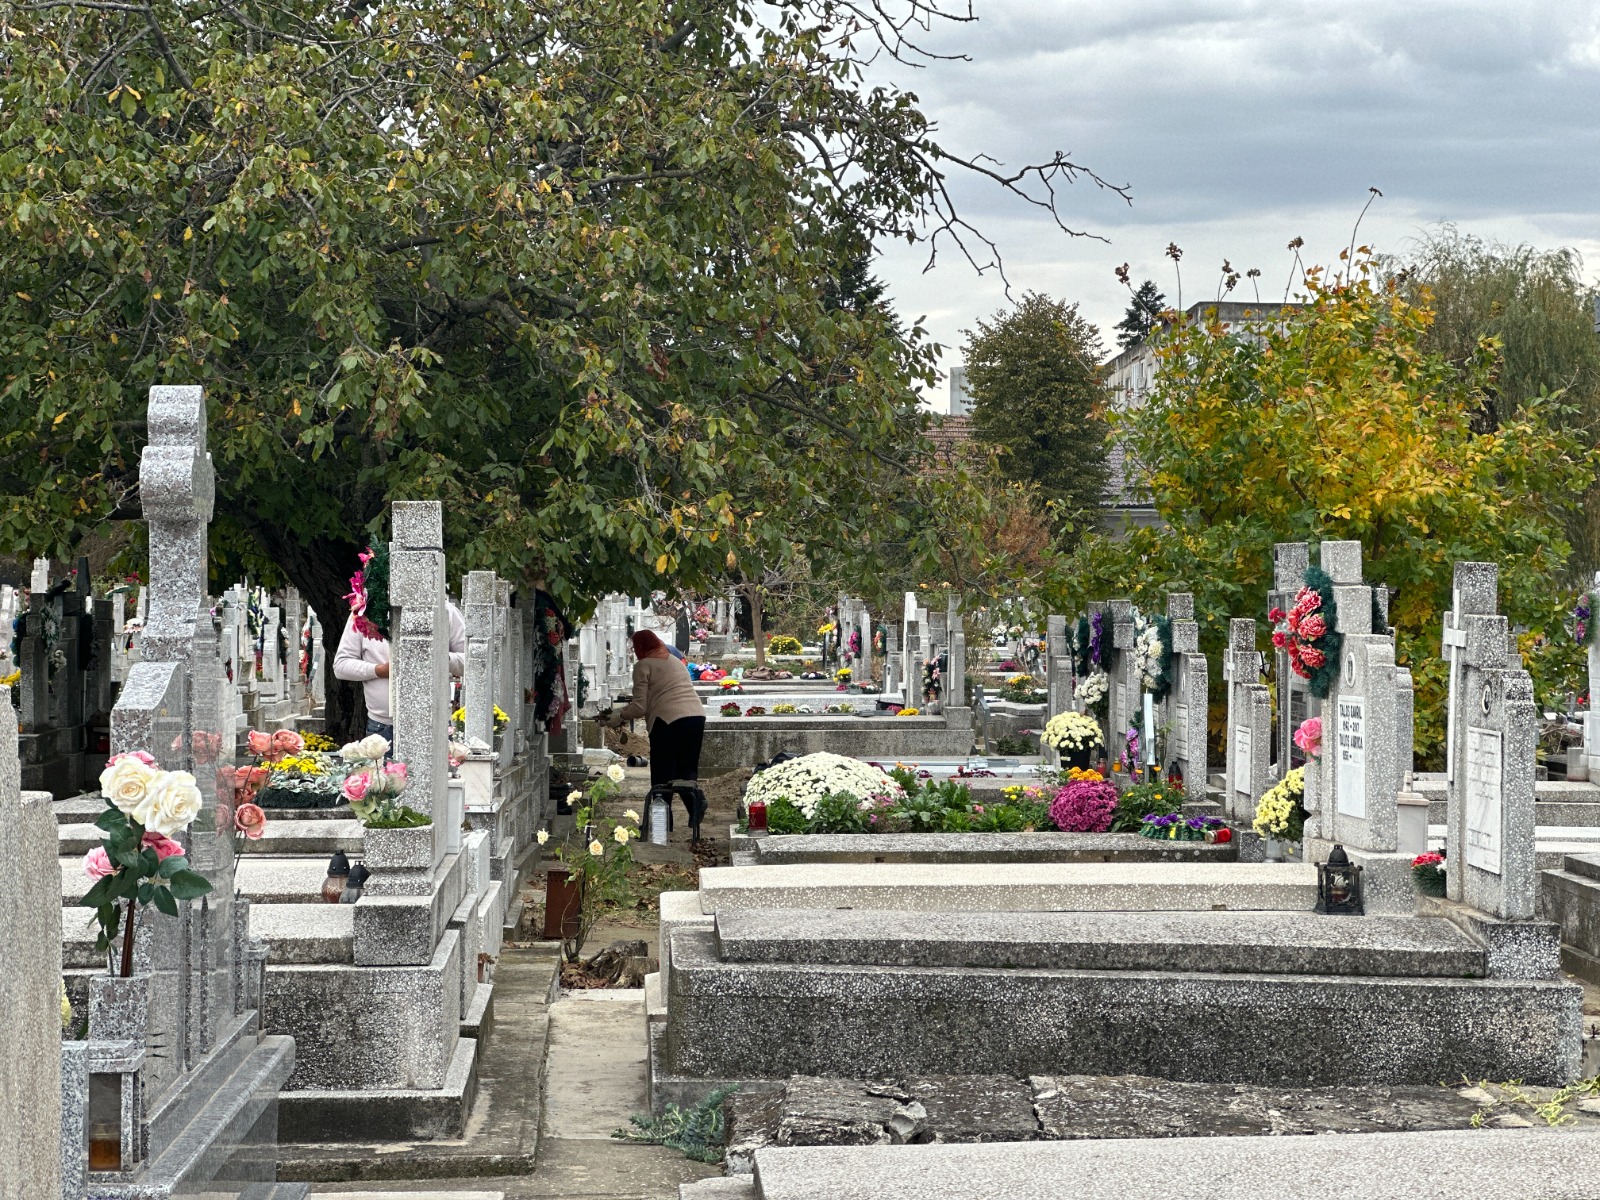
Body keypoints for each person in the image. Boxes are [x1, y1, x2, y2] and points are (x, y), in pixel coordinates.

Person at [602, 629, 707, 838]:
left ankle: (660, 825)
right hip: (696, 717)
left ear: (641, 647)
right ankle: (696, 805)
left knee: (662, 775)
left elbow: (640, 707)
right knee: (686, 770)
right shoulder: (675, 661)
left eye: (635, 647)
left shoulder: (643, 666)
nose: (635, 651)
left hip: (667, 721)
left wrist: (618, 716)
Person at [334, 602, 467, 742]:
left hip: (435, 723)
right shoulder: (365, 611)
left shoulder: (446, 610)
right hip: (382, 726)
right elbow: (341, 666)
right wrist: (379, 670)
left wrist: (440, 658)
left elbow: (469, 662)